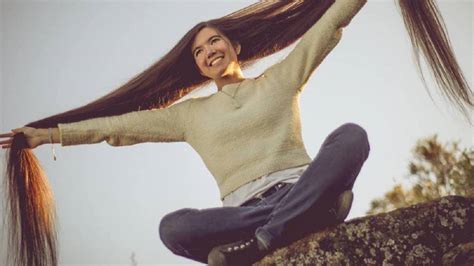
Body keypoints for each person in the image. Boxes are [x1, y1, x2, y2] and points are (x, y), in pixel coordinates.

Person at [1, 0, 472, 265]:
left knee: (351, 135)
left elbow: (331, 22)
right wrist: (48, 135)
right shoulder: (190, 115)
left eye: (214, 41)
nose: (207, 51)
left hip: (297, 186)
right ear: (196, 65)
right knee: (174, 227)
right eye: (199, 50)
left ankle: (271, 237)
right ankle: (307, 217)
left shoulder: (281, 80)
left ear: (233, 45)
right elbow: (114, 128)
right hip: (244, 213)